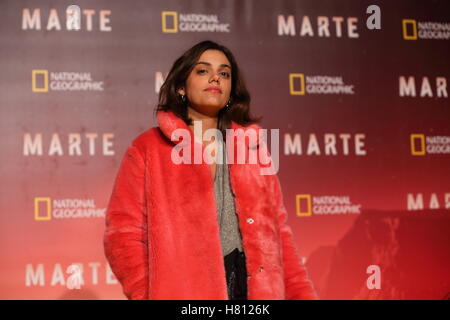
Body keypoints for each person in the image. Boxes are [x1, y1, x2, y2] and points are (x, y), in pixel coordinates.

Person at [103, 40, 318, 300]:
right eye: (203, 70)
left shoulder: (253, 148)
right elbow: (123, 236)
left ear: (230, 90)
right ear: (181, 87)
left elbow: (278, 233)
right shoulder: (148, 148)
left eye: (224, 73)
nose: (215, 77)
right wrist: (152, 294)